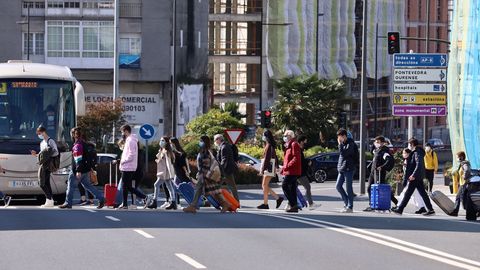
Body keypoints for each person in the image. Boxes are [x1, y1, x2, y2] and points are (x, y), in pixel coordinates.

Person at [59, 127, 105, 209]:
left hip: (78, 170)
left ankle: (68, 203)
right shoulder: (84, 144)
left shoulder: (77, 146)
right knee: (88, 186)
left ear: (73, 135)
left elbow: (78, 159)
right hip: (86, 170)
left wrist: (78, 171)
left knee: (71, 186)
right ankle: (101, 198)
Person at [183, 135, 231, 213]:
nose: (200, 142)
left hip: (205, 175)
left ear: (205, 142)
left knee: (208, 190)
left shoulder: (205, 152)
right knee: (214, 191)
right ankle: (225, 204)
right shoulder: (205, 151)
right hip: (206, 175)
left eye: (201, 141)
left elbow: (206, 164)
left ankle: (193, 206)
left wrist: (202, 174)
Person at [392, 138, 435, 216]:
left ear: (412, 144)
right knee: (423, 193)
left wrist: (413, 175)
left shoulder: (417, 153)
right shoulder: (416, 152)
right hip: (417, 176)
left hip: (415, 177)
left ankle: (400, 209)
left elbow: (419, 164)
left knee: (408, 193)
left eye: (409, 144)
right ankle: (430, 209)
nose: (408, 146)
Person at [117, 124, 147, 210]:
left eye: (122, 132)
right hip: (128, 166)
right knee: (126, 186)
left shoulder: (130, 141)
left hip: (128, 166)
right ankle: (125, 204)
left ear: (126, 131)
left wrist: (123, 161)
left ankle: (144, 197)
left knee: (127, 186)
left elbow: (131, 154)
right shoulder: (130, 140)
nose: (122, 134)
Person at [363, 136, 398, 212]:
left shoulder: (384, 151)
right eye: (376, 142)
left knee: (382, 189)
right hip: (373, 172)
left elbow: (389, 160)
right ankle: (371, 205)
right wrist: (373, 144)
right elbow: (371, 150)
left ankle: (396, 202)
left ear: (382, 143)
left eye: (378, 142)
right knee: (369, 188)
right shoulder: (377, 150)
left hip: (379, 173)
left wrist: (382, 167)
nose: (376, 143)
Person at [30, 126, 59, 208]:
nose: (39, 135)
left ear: (43, 132)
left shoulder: (50, 141)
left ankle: (49, 200)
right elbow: (42, 156)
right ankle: (50, 200)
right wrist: (36, 154)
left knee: (42, 183)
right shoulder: (42, 143)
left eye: (39, 133)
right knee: (46, 183)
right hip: (43, 164)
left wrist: (48, 153)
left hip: (48, 164)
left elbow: (56, 152)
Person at [148, 137, 177, 210]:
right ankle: (173, 202)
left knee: (156, 185)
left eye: (163, 141)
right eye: (160, 140)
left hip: (164, 173)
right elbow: (159, 158)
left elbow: (168, 163)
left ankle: (155, 202)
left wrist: (171, 174)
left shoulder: (166, 151)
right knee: (169, 187)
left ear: (166, 142)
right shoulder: (163, 150)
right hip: (163, 172)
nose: (161, 142)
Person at [394, 148, 427, 214]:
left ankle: (398, 206)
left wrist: (405, 180)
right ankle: (422, 207)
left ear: (408, 154)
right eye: (403, 153)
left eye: (405, 153)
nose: (403, 154)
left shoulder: (410, 160)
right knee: (416, 194)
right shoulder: (407, 160)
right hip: (413, 179)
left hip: (411, 179)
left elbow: (409, 171)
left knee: (404, 193)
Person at [257, 130, 284, 209]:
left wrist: (262, 170)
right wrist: (277, 166)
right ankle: (268, 202)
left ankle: (275, 199)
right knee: (264, 185)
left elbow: (267, 159)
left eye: (263, 135)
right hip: (270, 167)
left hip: (269, 168)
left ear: (266, 136)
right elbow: (274, 157)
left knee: (264, 185)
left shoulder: (269, 146)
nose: (263, 137)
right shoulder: (269, 145)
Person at [214, 134, 239, 202]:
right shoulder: (223, 146)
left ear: (219, 139)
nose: (215, 142)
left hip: (226, 170)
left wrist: (220, 170)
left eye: (215, 140)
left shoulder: (224, 147)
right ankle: (216, 200)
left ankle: (236, 201)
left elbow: (224, 160)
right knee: (217, 185)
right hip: (226, 170)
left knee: (231, 186)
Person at [336, 129, 356, 213]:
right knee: (338, 186)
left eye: (340, 136)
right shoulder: (343, 144)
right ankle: (346, 202)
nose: (339, 138)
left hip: (349, 168)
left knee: (349, 188)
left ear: (344, 136)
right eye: (338, 137)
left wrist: (340, 144)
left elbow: (344, 154)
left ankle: (350, 207)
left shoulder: (350, 144)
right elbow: (341, 156)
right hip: (342, 168)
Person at [281, 130, 302, 213]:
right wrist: (283, 168)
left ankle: (293, 204)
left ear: (290, 136)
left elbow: (296, 158)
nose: (284, 137)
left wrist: (287, 166)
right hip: (290, 170)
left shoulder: (294, 144)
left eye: (286, 135)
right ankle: (294, 206)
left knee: (284, 186)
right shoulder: (289, 145)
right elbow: (287, 158)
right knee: (292, 188)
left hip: (293, 170)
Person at [296, 134, 318, 209]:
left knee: (294, 188)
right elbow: (300, 161)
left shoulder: (298, 149)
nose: (305, 143)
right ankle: (311, 204)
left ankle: (290, 204)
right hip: (299, 173)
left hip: (298, 172)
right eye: (305, 142)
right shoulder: (298, 149)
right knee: (307, 187)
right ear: (301, 142)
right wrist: (308, 162)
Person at [449, 151, 472, 216]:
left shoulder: (465, 164)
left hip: (464, 184)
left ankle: (458, 211)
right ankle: (457, 211)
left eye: (457, 157)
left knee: (461, 198)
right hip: (462, 184)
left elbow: (467, 170)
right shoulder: (462, 164)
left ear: (461, 157)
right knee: (461, 198)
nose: (457, 159)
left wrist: (464, 176)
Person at [170, 137, 191, 205]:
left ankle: (191, 200)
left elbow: (183, 163)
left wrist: (186, 171)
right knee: (176, 186)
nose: (170, 144)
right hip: (177, 172)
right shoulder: (176, 152)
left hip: (180, 172)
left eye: (171, 143)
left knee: (181, 187)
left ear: (173, 143)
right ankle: (176, 202)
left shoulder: (179, 152)